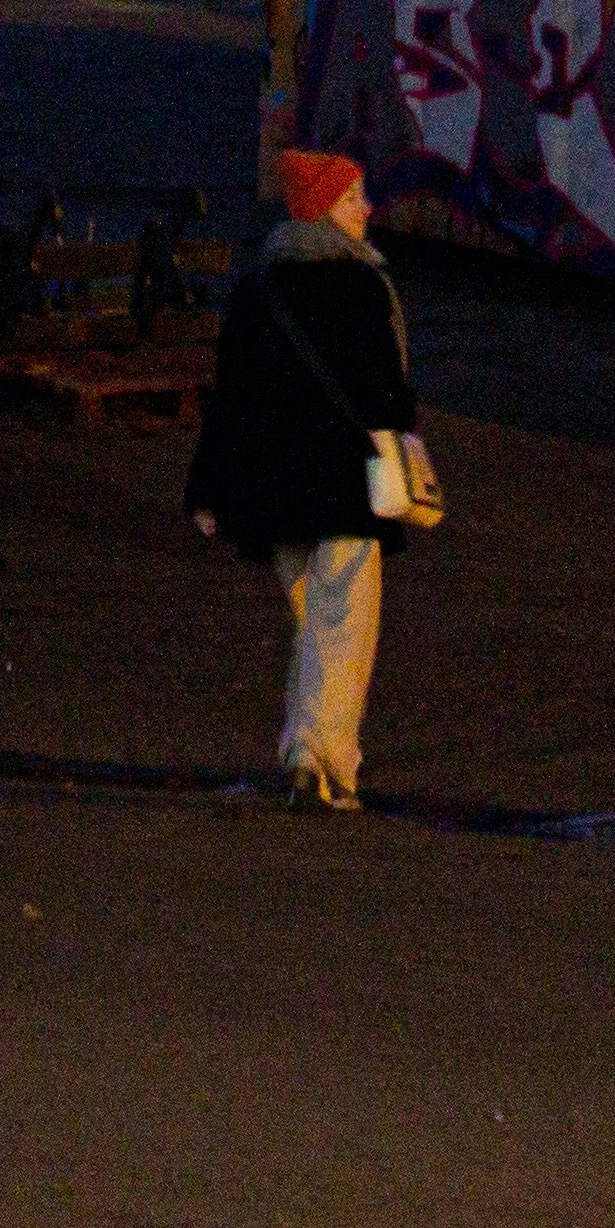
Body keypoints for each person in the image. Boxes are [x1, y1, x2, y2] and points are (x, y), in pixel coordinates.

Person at [182, 146, 419, 811]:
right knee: (342, 628)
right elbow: (387, 395)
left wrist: (208, 490)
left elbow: (230, 396)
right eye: (353, 199)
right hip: (345, 487)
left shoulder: (259, 290)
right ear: (324, 210)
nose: (366, 209)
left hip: (274, 493)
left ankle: (305, 750)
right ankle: (320, 762)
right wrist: (404, 448)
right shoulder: (364, 286)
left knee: (315, 625)